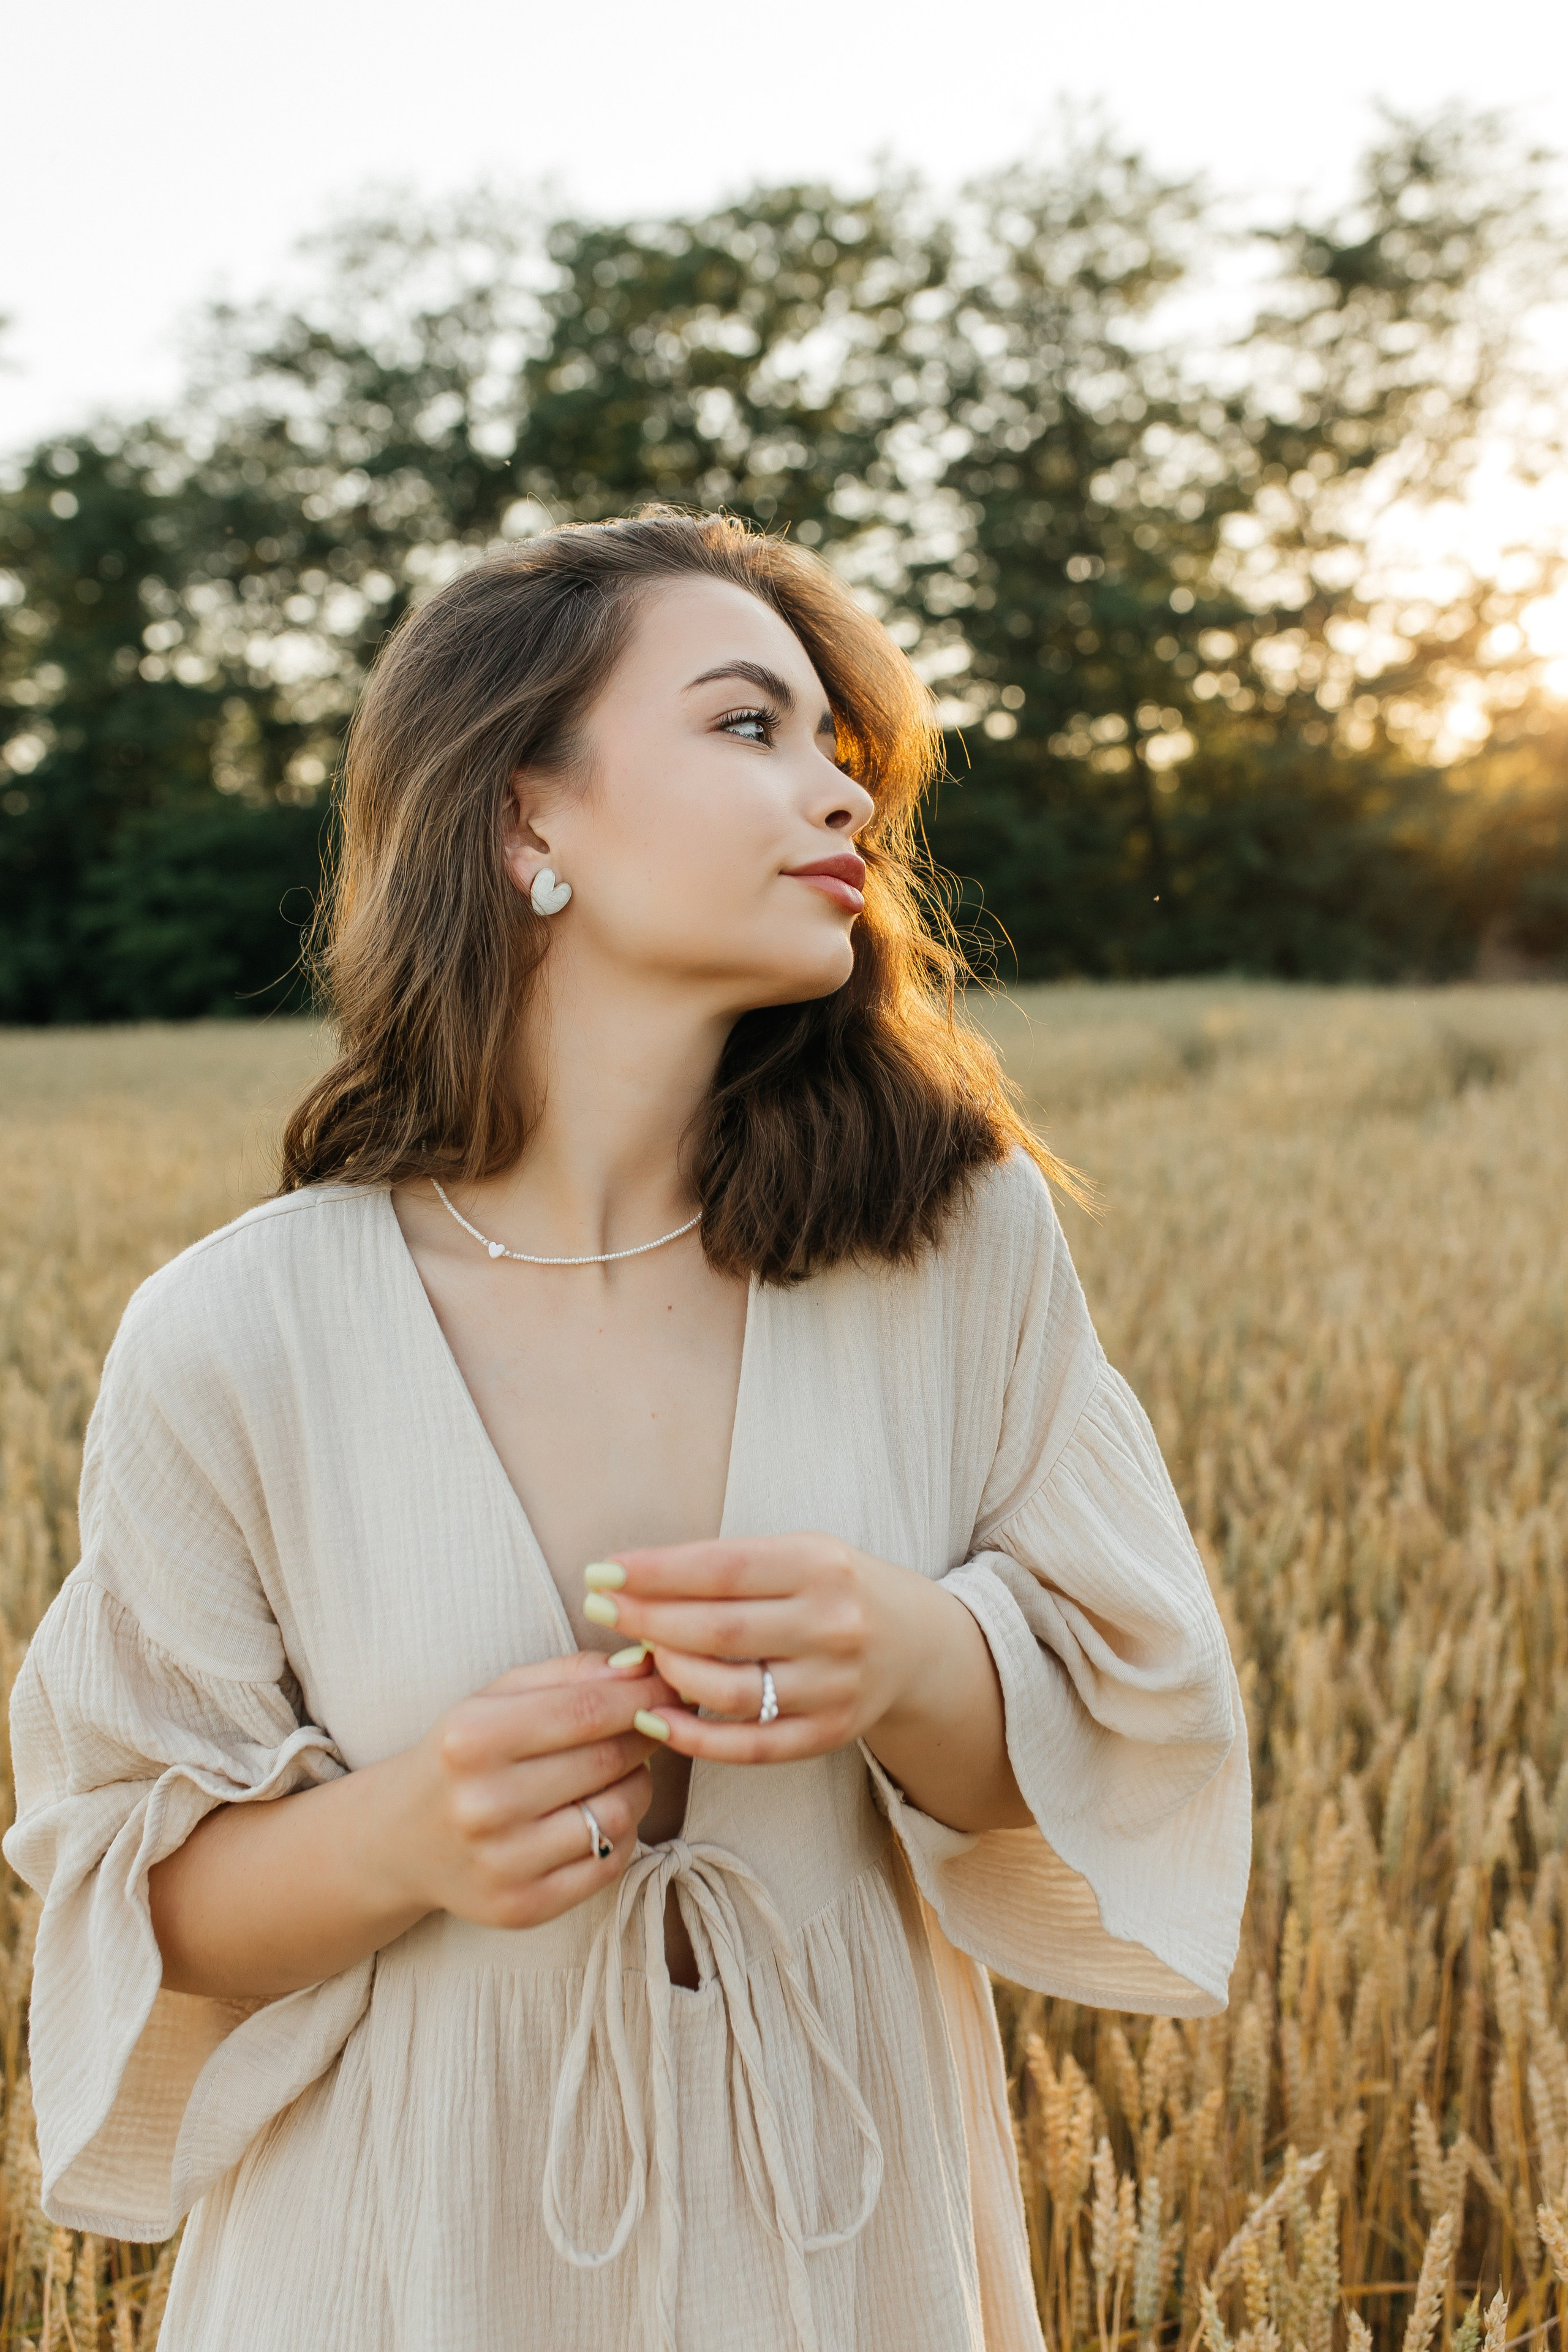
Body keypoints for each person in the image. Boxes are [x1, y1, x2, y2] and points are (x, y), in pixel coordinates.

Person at [5, 511, 1250, 2352]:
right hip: (402, 2254)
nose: (840, 792)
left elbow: (1117, 1746)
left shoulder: (957, 1243)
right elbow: (136, 1897)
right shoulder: (238, 1332)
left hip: (847, 2245)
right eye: (750, 727)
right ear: (527, 820)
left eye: (845, 749)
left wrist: (915, 1654)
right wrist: (405, 1839)